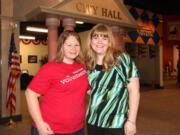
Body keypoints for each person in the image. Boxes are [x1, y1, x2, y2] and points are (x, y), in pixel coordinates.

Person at [25, 31, 89, 135]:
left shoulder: (82, 68)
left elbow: (90, 90)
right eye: (69, 45)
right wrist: (40, 123)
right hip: (51, 129)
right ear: (61, 47)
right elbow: (30, 94)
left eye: (76, 45)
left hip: (78, 128)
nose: (73, 48)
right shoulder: (50, 68)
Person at [84, 24, 140, 135]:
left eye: (104, 38)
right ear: (90, 41)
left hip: (116, 123)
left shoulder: (121, 60)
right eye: (96, 38)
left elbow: (134, 91)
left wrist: (132, 121)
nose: (99, 42)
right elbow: (91, 89)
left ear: (110, 42)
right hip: (93, 120)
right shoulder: (89, 63)